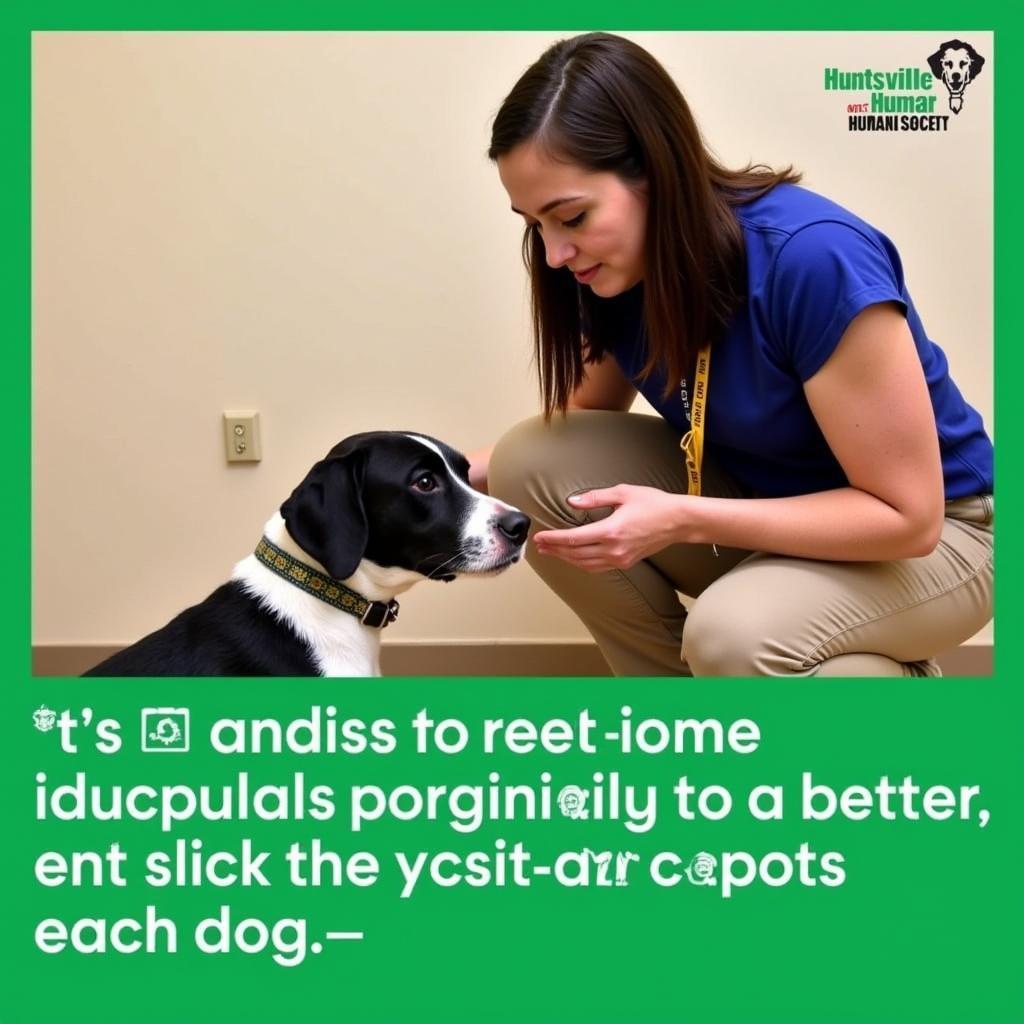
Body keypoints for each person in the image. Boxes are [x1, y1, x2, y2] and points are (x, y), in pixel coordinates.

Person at [471, 32, 993, 677]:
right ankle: (679, 729)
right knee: (533, 458)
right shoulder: (611, 270)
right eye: (534, 223)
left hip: (938, 536)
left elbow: (908, 520)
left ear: (657, 171)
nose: (553, 253)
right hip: (759, 503)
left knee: (734, 636)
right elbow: (571, 437)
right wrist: (430, 473)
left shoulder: (814, 259)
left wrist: (684, 518)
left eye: (572, 218)